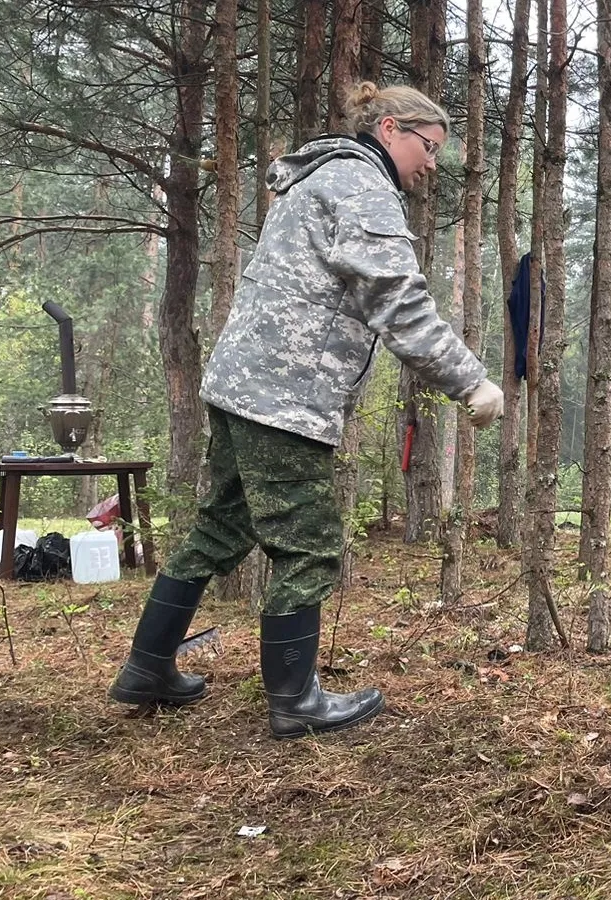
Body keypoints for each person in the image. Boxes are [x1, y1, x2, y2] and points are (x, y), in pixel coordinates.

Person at [109, 82, 507, 739]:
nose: (432, 163)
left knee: (218, 529)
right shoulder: (360, 185)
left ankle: (149, 666)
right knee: (310, 548)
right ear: (390, 131)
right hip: (284, 396)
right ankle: (296, 701)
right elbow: (398, 301)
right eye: (428, 147)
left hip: (244, 386)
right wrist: (470, 382)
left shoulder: (318, 178)